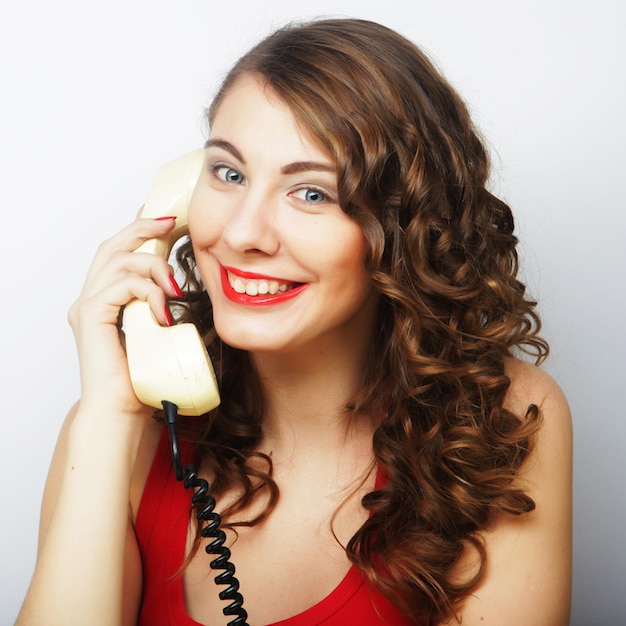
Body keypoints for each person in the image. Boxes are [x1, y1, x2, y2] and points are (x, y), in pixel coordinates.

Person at [16, 17, 572, 626]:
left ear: (406, 230)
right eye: (228, 174)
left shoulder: (498, 418)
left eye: (311, 193)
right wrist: (109, 419)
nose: (242, 233)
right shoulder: (120, 425)